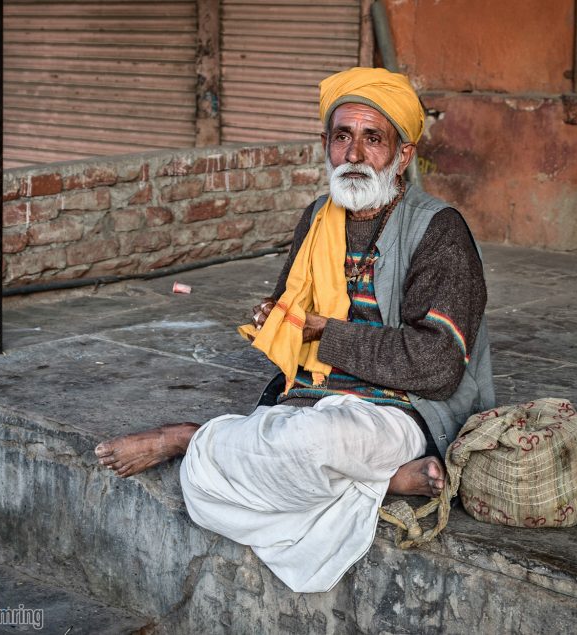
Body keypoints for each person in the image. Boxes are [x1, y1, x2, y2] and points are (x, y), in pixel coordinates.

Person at [95, 67, 495, 593]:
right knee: (207, 490)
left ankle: (192, 438)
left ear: (403, 155)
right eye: (342, 137)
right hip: (313, 398)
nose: (354, 155)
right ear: (325, 145)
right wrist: (278, 319)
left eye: (373, 139)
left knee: (297, 448)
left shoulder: (439, 229)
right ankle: (384, 484)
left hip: (404, 411)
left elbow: (438, 364)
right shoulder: (318, 217)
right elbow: (295, 315)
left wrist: (322, 332)